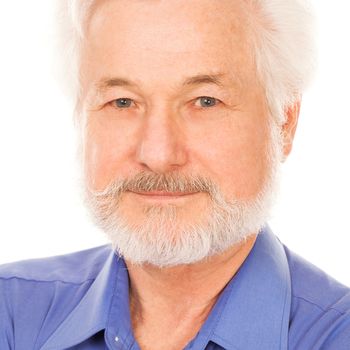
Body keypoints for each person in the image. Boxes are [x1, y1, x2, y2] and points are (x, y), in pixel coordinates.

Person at [0, 0, 349, 349]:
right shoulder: (11, 314)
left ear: (284, 122)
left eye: (205, 101)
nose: (158, 155)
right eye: (122, 101)